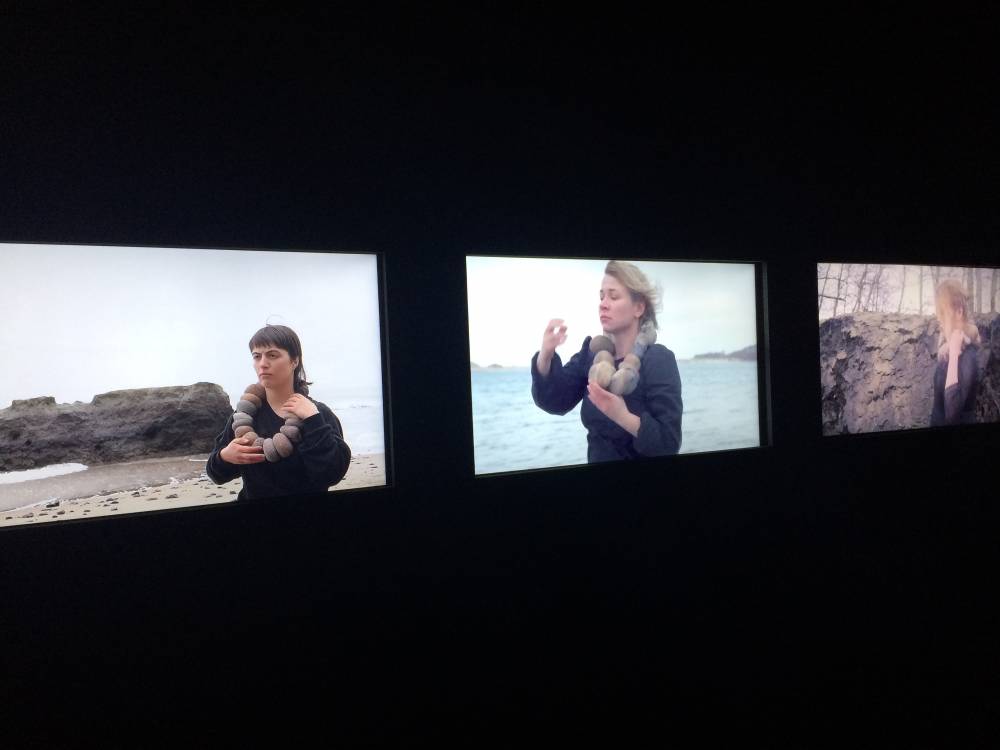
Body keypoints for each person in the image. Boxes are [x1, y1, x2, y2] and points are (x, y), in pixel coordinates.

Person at [531, 260, 682, 462]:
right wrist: (546, 355)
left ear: (638, 308)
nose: (603, 304)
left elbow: (669, 443)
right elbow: (555, 402)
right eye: (601, 296)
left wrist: (622, 416)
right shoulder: (590, 355)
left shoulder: (658, 359)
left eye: (614, 296)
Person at [206, 325, 351, 499]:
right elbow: (216, 475)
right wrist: (225, 457)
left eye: (272, 355)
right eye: (257, 356)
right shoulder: (244, 416)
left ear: (294, 361)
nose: (263, 364)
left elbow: (331, 474)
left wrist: (313, 421)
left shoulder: (316, 414)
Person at [930, 279, 981, 427]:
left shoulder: (968, 356)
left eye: (942, 313)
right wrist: (949, 345)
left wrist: (953, 355)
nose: (938, 318)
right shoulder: (949, 346)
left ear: (959, 311)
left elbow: (952, 416)